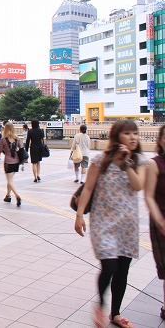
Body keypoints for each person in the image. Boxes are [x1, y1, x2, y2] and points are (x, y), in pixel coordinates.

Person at [75, 120, 147, 328]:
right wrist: (79, 215)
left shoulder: (139, 160)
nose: (133, 137)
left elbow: (138, 185)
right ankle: (101, 304)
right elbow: (87, 189)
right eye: (127, 133)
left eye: (136, 133)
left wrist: (126, 163)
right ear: (117, 137)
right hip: (103, 223)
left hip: (127, 225)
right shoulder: (101, 160)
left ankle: (115, 314)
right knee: (109, 266)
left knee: (123, 270)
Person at [145, 125, 165, 322]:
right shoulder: (154, 164)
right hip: (161, 221)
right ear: (160, 141)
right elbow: (149, 195)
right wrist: (159, 220)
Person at [0, 123, 23, 206]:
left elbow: (0, 150)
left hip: (8, 162)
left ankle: (17, 195)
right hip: (16, 162)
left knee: (10, 180)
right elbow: (22, 148)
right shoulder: (17, 138)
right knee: (10, 179)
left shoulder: (3, 140)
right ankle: (8, 196)